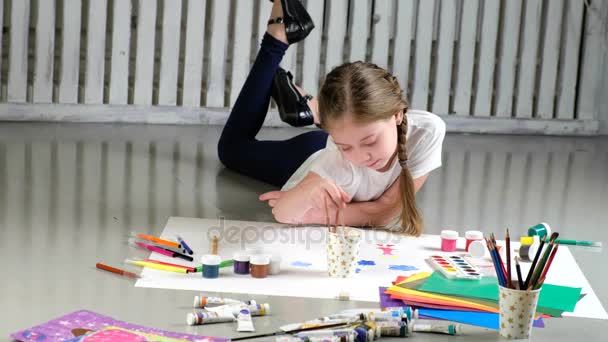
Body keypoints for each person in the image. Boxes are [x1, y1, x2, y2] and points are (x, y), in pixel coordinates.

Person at [218, 0, 446, 235]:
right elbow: (284, 213)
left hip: (334, 137)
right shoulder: (338, 162)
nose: (360, 157)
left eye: (369, 141)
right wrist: (308, 189)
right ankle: (277, 39)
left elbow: (386, 212)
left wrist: (317, 214)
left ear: (398, 114)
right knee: (231, 150)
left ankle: (311, 107)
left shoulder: (427, 131)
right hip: (308, 154)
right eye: (346, 146)